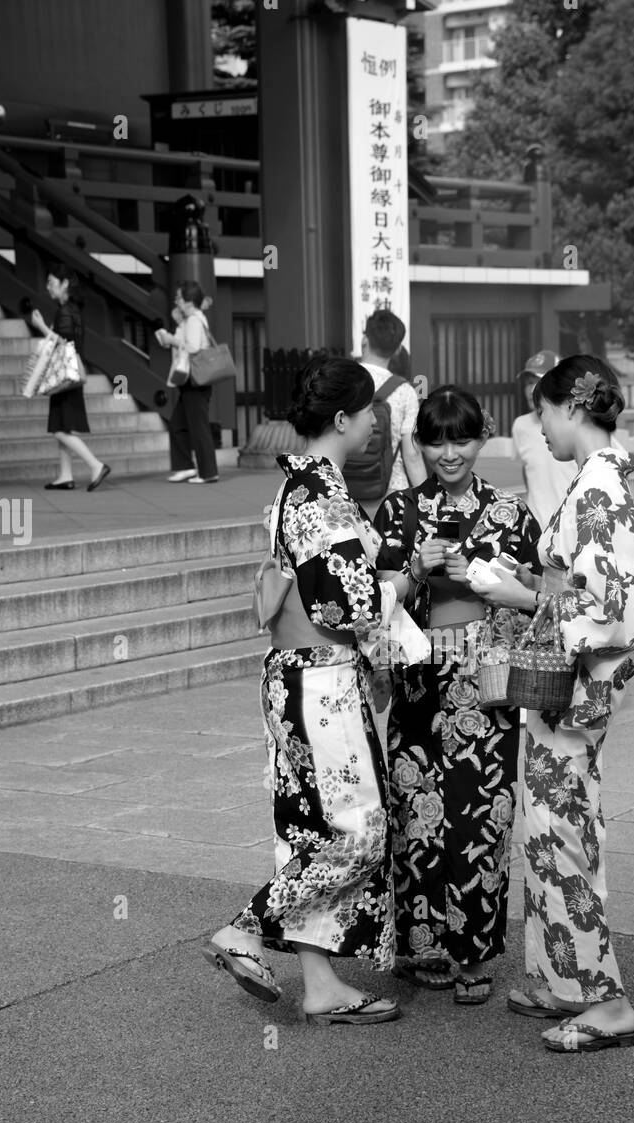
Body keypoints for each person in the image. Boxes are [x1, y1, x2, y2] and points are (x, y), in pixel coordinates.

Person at [203, 356, 399, 1025]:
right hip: (322, 681)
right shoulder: (325, 494)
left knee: (311, 830)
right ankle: (244, 927)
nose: (376, 420)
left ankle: (319, 985)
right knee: (362, 833)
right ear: (343, 419)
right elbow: (353, 607)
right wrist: (404, 582)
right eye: (368, 409)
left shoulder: (302, 485)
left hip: (295, 675)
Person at [468, 356, 634, 1054]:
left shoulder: (597, 487)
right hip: (568, 683)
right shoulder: (598, 479)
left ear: (569, 406)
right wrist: (529, 583)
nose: (537, 426)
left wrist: (520, 594)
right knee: (544, 825)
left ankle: (605, 998)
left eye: (542, 412)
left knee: (563, 829)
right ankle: (559, 976)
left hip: (574, 685)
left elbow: (602, 604)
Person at [373, 387, 541, 1003]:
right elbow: (375, 602)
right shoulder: (396, 512)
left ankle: (473, 952)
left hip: (487, 685)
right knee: (417, 814)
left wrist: (509, 585)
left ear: (483, 437)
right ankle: (422, 946)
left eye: (462, 438)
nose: (450, 452)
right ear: (419, 442)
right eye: (437, 439)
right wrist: (416, 569)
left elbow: (538, 593)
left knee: (482, 816)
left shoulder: (512, 512)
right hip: (420, 680)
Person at [30, 264, 110, 491]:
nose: (48, 287)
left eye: (51, 282)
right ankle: (65, 475)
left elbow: (62, 343)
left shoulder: (65, 311)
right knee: (62, 426)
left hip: (65, 376)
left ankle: (96, 465)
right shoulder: (73, 309)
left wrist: (42, 327)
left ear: (65, 284)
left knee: (59, 429)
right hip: (71, 375)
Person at [155, 281, 219, 483]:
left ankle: (208, 472)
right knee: (178, 423)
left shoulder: (194, 320)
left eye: (179, 298)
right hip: (192, 381)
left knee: (198, 427)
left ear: (189, 301)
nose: (176, 301)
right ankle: (186, 467)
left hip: (195, 380)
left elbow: (191, 347)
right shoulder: (190, 319)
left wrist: (172, 340)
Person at [359, 309, 426, 497]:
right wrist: (428, 502)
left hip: (345, 490)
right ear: (397, 350)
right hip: (392, 491)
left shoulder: (341, 379)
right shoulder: (405, 392)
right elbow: (412, 455)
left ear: (365, 340)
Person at [512, 349, 578, 527]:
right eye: (529, 382)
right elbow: (529, 471)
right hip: (538, 532)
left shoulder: (579, 422)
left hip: (573, 529)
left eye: (538, 381)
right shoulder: (520, 426)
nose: (530, 389)